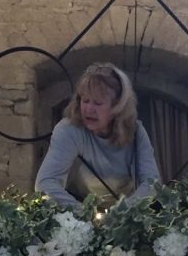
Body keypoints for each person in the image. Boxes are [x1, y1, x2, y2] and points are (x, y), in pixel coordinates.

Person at [35, 62, 161, 208]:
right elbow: (45, 182)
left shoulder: (137, 131)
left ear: (117, 107)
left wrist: (123, 214)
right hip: (78, 211)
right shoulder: (68, 129)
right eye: (85, 100)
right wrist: (83, 215)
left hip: (127, 212)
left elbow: (151, 182)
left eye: (98, 103)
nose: (88, 109)